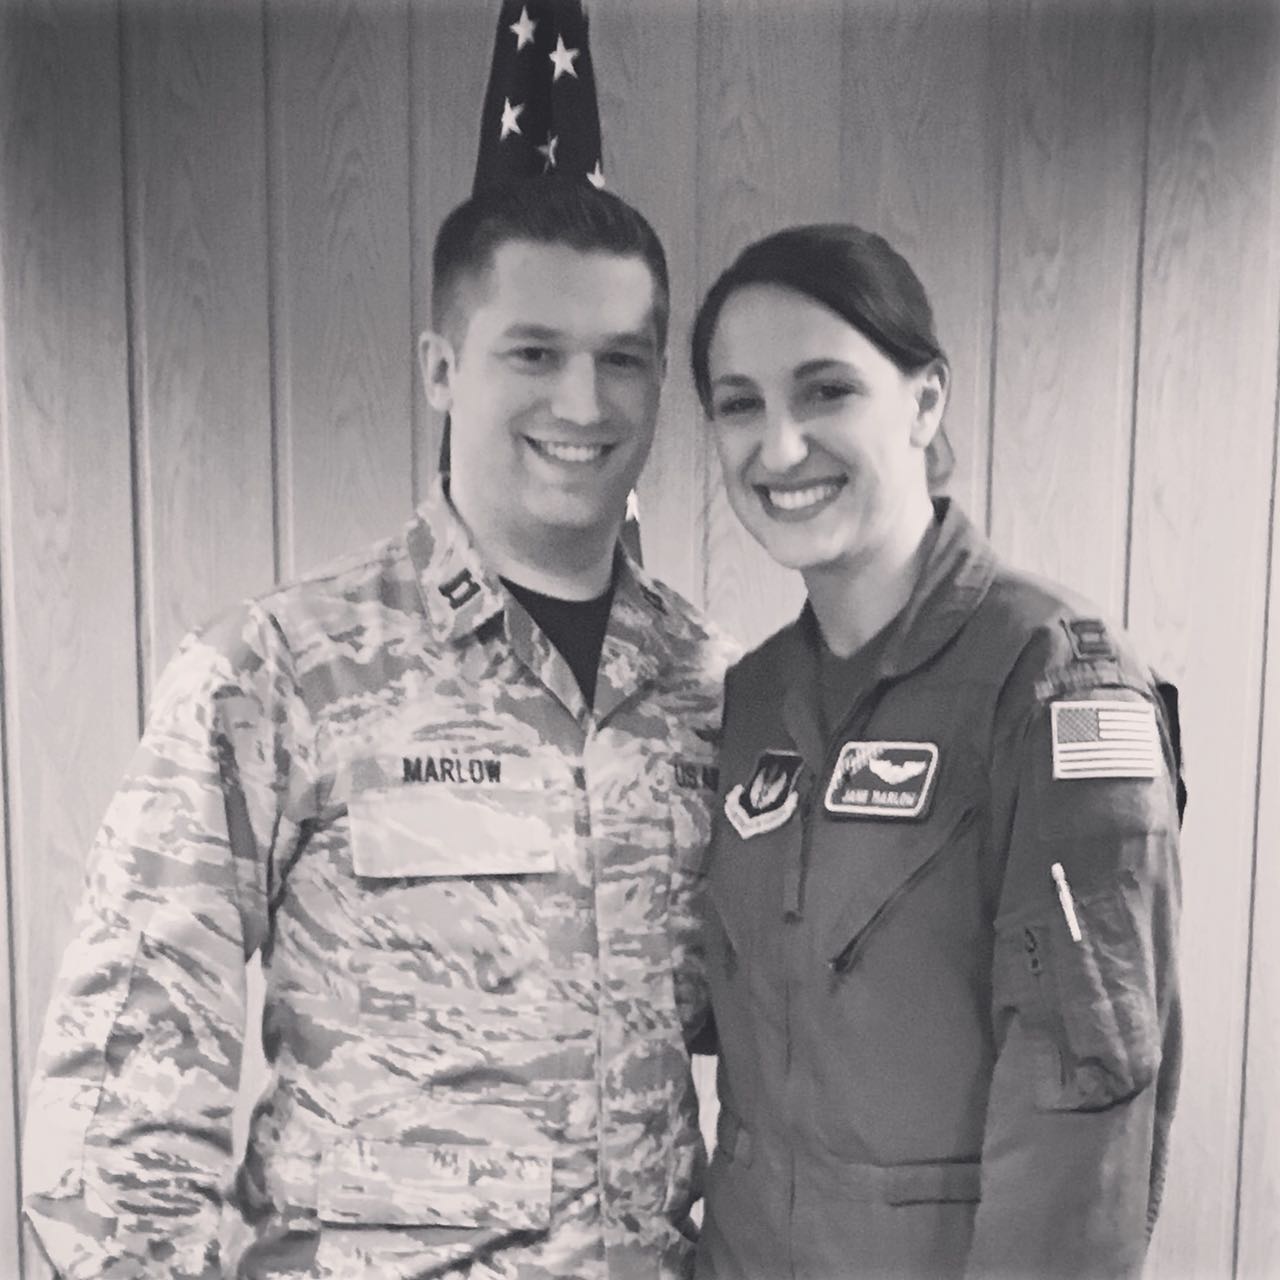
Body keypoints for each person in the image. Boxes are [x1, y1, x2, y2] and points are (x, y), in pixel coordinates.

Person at [23, 176, 735, 1280]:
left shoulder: (710, 690)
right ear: (441, 370)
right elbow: (121, 1088)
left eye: (622, 359)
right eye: (534, 353)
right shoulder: (282, 670)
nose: (584, 402)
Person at [688, 224, 1183, 1279]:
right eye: (739, 404)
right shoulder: (753, 696)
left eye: (825, 390)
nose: (780, 447)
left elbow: (1083, 1103)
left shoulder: (1051, 679)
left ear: (923, 402)